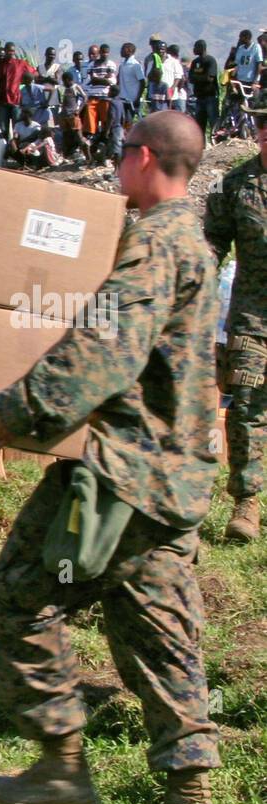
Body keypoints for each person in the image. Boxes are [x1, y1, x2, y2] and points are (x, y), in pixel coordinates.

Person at [0, 110, 221, 804]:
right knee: (154, 620)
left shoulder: (152, 247)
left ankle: (60, 764)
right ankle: (188, 785)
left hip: (122, 475)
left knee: (17, 594)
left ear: (141, 158)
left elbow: (105, 350)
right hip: (178, 471)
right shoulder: (191, 241)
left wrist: (17, 409)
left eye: (119, 154)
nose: (114, 166)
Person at [205, 90, 267, 542]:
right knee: (246, 406)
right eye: (261, 124)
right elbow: (213, 242)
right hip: (253, 315)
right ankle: (247, 502)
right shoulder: (235, 184)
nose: (265, 132)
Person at [0, 42, 33, 139]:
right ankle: (5, 151)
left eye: (12, 51)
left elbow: (33, 73)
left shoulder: (20, 64)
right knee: (3, 130)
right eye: (9, 51)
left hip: (16, 101)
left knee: (17, 129)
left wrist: (27, 80)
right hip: (2, 103)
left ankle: (16, 150)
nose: (11, 53)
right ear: (5, 50)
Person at [189, 39, 222, 140]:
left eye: (195, 47)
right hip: (199, 98)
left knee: (214, 123)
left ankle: (216, 144)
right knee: (199, 125)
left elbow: (210, 78)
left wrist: (197, 78)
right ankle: (201, 146)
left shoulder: (210, 60)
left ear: (202, 48)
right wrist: (201, 77)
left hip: (210, 97)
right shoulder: (195, 62)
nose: (193, 49)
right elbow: (190, 78)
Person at [85, 44, 117, 134]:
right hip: (93, 95)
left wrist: (97, 79)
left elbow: (110, 81)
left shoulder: (111, 64)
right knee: (90, 120)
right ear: (99, 52)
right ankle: (91, 136)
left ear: (109, 53)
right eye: (102, 52)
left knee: (105, 120)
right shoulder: (92, 64)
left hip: (105, 96)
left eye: (106, 53)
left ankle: (104, 137)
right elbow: (91, 80)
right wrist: (103, 79)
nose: (104, 54)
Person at [59, 69, 88, 161]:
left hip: (73, 115)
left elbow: (85, 98)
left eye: (64, 80)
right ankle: (66, 155)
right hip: (64, 115)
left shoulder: (75, 87)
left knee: (78, 134)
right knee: (66, 135)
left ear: (68, 79)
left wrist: (79, 110)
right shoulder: (62, 88)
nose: (64, 82)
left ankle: (86, 155)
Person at [118, 42, 146, 121]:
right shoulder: (122, 65)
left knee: (130, 121)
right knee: (123, 120)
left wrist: (138, 97)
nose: (121, 51)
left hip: (132, 99)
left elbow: (142, 82)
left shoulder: (135, 65)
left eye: (123, 49)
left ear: (129, 51)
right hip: (122, 98)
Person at [145, 35, 170, 112]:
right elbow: (147, 74)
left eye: (157, 43)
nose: (155, 45)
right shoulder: (149, 58)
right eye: (153, 43)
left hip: (165, 88)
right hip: (153, 88)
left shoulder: (169, 59)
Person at [167, 46, 189, 115]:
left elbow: (182, 79)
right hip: (176, 94)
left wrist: (178, 89)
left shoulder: (174, 62)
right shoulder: (176, 63)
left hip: (178, 95)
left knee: (179, 116)